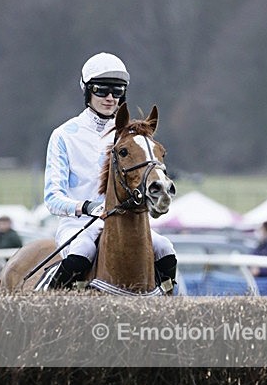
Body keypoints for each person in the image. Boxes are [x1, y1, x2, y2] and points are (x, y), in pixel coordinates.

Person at [36, 51, 177, 291]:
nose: (110, 97)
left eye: (118, 91)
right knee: (83, 251)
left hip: (125, 223)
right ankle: (48, 302)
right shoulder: (63, 135)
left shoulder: (130, 137)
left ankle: (169, 303)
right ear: (87, 90)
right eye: (102, 89)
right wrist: (88, 207)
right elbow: (52, 198)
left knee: (165, 249)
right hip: (79, 225)